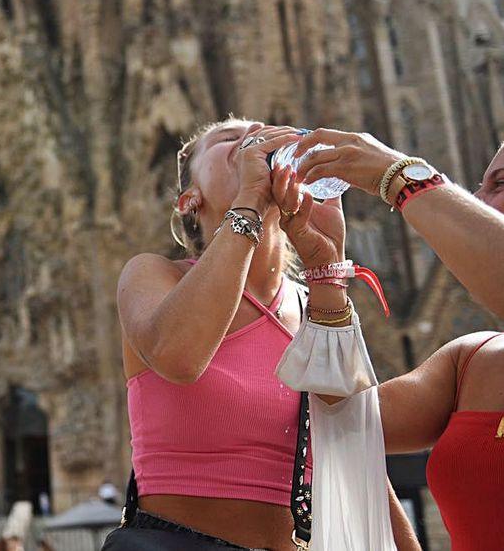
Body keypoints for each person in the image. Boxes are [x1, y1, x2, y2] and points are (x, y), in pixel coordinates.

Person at [106, 119, 416, 551]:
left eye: (262, 130)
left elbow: (356, 452)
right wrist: (250, 199)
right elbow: (179, 355)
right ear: (188, 200)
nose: (255, 137)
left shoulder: (315, 306)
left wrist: (327, 264)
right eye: (230, 139)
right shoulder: (154, 276)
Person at [280, 130, 504, 549]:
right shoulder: (472, 362)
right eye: (478, 189)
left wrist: (402, 177)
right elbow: (338, 429)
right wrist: (326, 271)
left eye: (502, 183)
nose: (480, 204)